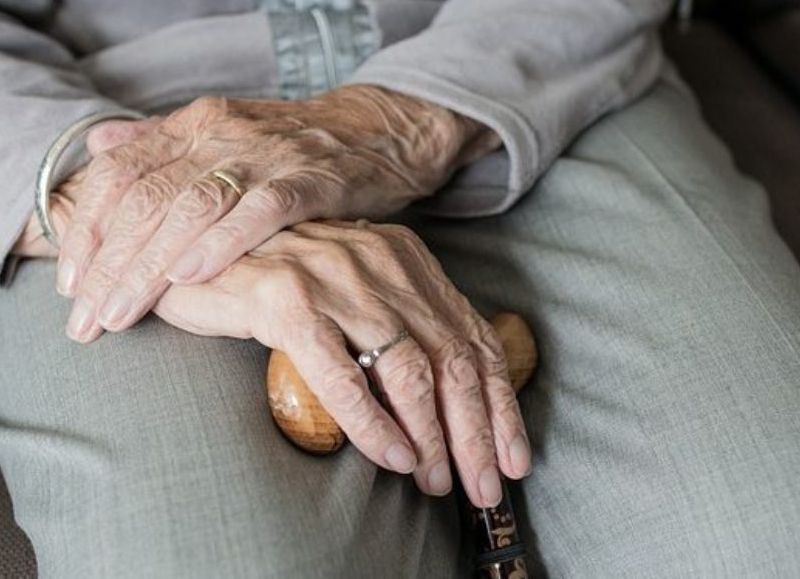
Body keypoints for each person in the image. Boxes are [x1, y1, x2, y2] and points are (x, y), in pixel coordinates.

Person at [1, 1, 798, 577]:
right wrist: (119, 205)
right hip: (99, 120)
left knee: (768, 526)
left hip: (526, 61)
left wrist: (393, 122)